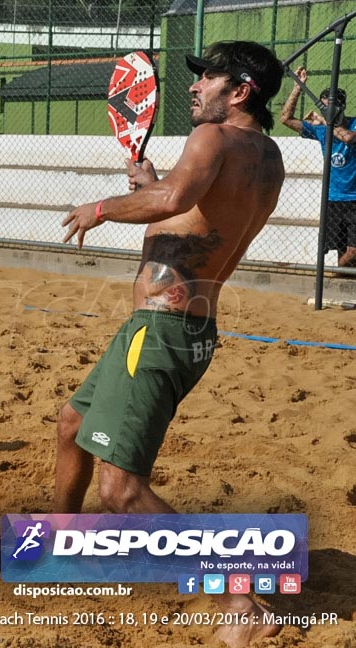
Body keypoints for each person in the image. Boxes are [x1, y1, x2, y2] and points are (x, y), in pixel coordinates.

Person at [58, 41, 285, 648]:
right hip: (191, 327)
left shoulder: (211, 141)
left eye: (207, 77)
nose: (194, 85)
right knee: (71, 423)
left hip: (159, 327)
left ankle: (242, 598)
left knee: (120, 490)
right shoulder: (267, 154)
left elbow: (175, 203)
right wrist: (159, 184)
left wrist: (103, 207)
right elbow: (206, 216)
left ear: (239, 91)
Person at [280, 68, 356, 270]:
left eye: (330, 109)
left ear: (341, 108)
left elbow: (348, 138)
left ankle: (340, 272)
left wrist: (324, 120)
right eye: (324, 109)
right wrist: (297, 88)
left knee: (353, 251)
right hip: (332, 198)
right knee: (336, 246)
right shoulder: (321, 130)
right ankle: (342, 275)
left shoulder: (352, 124)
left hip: (354, 198)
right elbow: (286, 119)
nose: (327, 113)